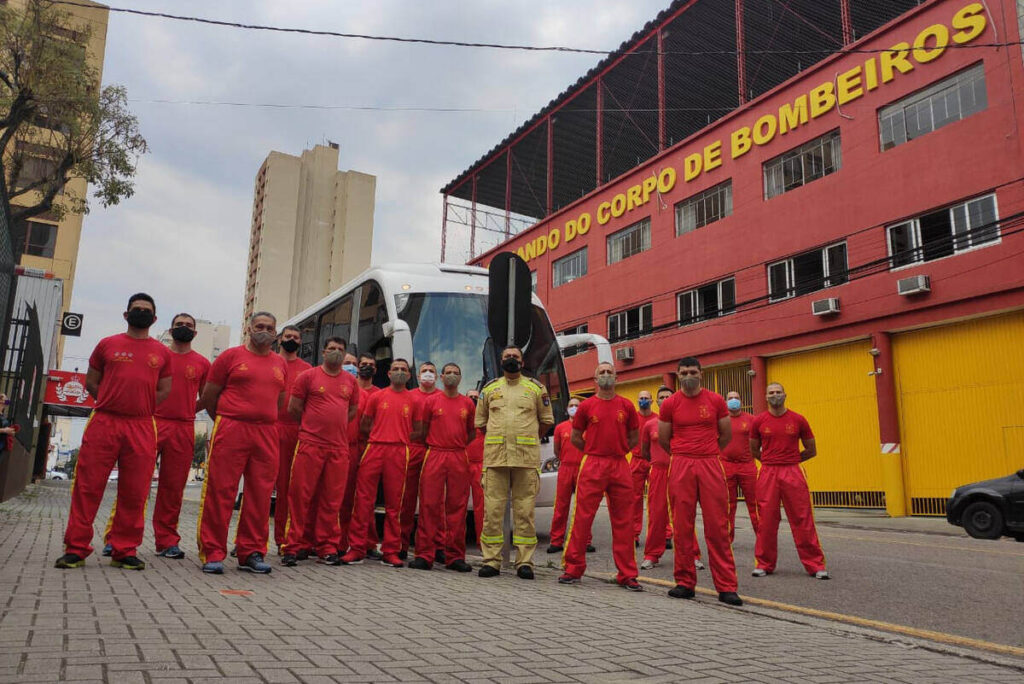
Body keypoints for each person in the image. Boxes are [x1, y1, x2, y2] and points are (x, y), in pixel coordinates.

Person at [55, 293, 172, 570]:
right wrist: (112, 400)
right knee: (87, 486)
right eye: (136, 309)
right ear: (126, 314)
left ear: (154, 318)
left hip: (142, 425)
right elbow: (91, 381)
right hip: (104, 422)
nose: (140, 313)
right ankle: (76, 548)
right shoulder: (107, 345)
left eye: (146, 310)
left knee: (135, 491)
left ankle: (125, 549)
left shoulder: (162, 352)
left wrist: (138, 405)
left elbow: (164, 390)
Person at [196, 312, 287, 575]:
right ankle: (213, 551)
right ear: (249, 328)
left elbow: (279, 402)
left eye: (270, 328)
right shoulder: (230, 357)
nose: (264, 331)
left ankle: (251, 552)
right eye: (259, 326)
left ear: (275, 332)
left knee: (260, 495)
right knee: (221, 491)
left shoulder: (279, 363)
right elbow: (210, 396)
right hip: (232, 428)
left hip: (266, 432)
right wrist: (226, 420)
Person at [658, 357, 742, 606]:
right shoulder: (670, 403)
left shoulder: (715, 400)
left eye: (693, 371)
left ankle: (726, 586)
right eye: (683, 372)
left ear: (701, 374)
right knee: (682, 525)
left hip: (710, 462)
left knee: (717, 525)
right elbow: (665, 439)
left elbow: (725, 435)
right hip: (681, 462)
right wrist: (683, 454)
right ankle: (685, 582)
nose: (688, 375)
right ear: (678, 375)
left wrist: (707, 452)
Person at [558, 363, 642, 591]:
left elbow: (634, 436)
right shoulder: (586, 406)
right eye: (601, 372)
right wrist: (593, 450)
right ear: (595, 378)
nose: (606, 375)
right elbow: (576, 437)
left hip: (619, 464)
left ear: (616, 377)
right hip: (593, 463)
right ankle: (573, 568)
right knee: (582, 517)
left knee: (624, 520)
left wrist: (620, 449)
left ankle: (627, 574)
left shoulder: (626, 406)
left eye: (609, 372)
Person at [475, 345, 554, 579]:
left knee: (525, 512)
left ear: (522, 361)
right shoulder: (490, 390)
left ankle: (524, 562)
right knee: (492, 512)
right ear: (501, 361)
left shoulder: (535, 389)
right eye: (507, 356)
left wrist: (528, 439)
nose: (511, 359)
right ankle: (491, 561)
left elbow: (546, 420)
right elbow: (481, 423)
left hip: (525, 460)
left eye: (515, 357)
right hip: (496, 459)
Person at [280, 337, 359, 566]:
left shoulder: (350, 382)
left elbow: (352, 411)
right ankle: (293, 546)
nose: (336, 352)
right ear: (324, 352)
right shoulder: (308, 376)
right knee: (300, 498)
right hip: (310, 445)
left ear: (344, 355)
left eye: (340, 350)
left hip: (338, 449)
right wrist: (313, 427)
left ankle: (326, 547)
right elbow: (294, 408)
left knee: (331, 501)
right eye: (332, 348)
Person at [341, 359, 418, 567]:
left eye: (404, 370)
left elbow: (419, 429)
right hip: (374, 448)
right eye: (396, 369)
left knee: (395, 504)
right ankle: (357, 548)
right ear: (389, 373)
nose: (400, 372)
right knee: (363, 500)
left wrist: (399, 436)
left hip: (399, 451)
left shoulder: (413, 400)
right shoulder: (377, 397)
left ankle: (391, 550)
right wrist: (381, 435)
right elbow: (365, 425)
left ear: (409, 376)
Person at [750, 383, 829, 579]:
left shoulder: (798, 420)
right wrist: (770, 460)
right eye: (771, 393)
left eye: (778, 392)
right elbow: (753, 449)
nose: (775, 395)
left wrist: (791, 461)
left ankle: (815, 565)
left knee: (802, 518)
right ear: (766, 397)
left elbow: (812, 449)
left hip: (793, 471)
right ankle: (764, 564)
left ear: (785, 395)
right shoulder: (759, 421)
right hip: (768, 472)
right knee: (767, 520)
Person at [151, 313, 210, 559]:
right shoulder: (156, 355)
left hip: (184, 427)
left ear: (195, 333)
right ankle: (119, 538)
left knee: (173, 488)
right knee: (135, 483)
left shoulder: (203, 363)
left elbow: (207, 396)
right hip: (152, 423)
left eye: (188, 326)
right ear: (170, 329)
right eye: (179, 325)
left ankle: (167, 541)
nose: (183, 328)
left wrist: (188, 410)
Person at [408, 363, 476, 572]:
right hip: (435, 453)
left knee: (457, 507)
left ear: (461, 377)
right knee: (429, 505)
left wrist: (456, 444)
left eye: (456, 373)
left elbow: (471, 433)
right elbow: (423, 429)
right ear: (441, 377)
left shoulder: (468, 404)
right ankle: (424, 555)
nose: (452, 376)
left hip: (457, 455)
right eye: (448, 373)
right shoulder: (430, 402)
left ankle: (455, 556)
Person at [273, 325, 312, 554]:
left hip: (294, 431)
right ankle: (246, 540)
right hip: (268, 427)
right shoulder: (270, 362)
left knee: (289, 489)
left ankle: (283, 539)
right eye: (288, 336)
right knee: (259, 486)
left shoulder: (307, 370)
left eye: (296, 337)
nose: (291, 340)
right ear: (280, 339)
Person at [337, 353, 381, 558]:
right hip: (343, 446)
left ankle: (367, 542)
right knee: (341, 497)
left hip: (367, 448)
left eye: (369, 365)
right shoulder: (346, 390)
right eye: (360, 364)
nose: (363, 368)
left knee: (364, 499)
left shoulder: (379, 394)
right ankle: (339, 540)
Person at [401, 361, 439, 558]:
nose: (427, 374)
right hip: (412, 449)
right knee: (405, 500)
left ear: (437, 376)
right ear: (417, 375)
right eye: (424, 371)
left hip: (434, 451)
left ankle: (435, 546)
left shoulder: (441, 397)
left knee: (432, 502)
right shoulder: (410, 396)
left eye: (431, 371)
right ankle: (401, 544)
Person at [547, 397, 594, 554]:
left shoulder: (588, 428)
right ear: (567, 409)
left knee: (584, 507)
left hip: (583, 469)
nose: (574, 408)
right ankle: (556, 540)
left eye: (577, 405)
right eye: (571, 405)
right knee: (561, 506)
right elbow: (557, 450)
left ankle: (585, 541)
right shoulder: (560, 428)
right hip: (566, 468)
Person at [640, 386, 674, 570]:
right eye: (661, 397)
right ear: (657, 401)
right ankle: (652, 555)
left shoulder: (681, 422)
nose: (665, 399)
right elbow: (645, 452)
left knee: (684, 514)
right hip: (658, 471)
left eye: (668, 396)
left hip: (678, 470)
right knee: (656, 514)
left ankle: (693, 555)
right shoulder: (650, 425)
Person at [722, 390, 759, 543]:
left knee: (755, 503)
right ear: (725, 402)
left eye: (736, 398)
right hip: (726, 466)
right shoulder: (721, 421)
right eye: (730, 398)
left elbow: (760, 441)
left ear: (741, 402)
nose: (733, 400)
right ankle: (727, 540)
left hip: (747, 466)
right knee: (728, 505)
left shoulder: (752, 420)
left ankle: (762, 537)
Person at [630, 390, 657, 546]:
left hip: (653, 461)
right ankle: (634, 534)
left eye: (646, 398)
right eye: (641, 398)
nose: (644, 400)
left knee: (657, 499)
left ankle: (665, 533)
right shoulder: (632, 419)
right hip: (636, 460)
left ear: (652, 401)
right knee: (634, 499)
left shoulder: (657, 419)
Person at [465, 389, 485, 547]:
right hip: (462, 464)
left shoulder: (485, 419)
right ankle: (453, 542)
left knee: (481, 506)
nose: (473, 400)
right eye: (470, 397)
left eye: (476, 397)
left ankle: (482, 541)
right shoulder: (460, 417)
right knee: (456, 505)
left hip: (480, 465)